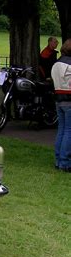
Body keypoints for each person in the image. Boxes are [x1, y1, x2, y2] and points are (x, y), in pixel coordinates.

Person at [51, 39, 71, 173]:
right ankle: (65, 161)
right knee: (68, 131)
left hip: (58, 99)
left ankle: (58, 159)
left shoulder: (56, 63)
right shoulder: (69, 65)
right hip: (69, 99)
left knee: (62, 129)